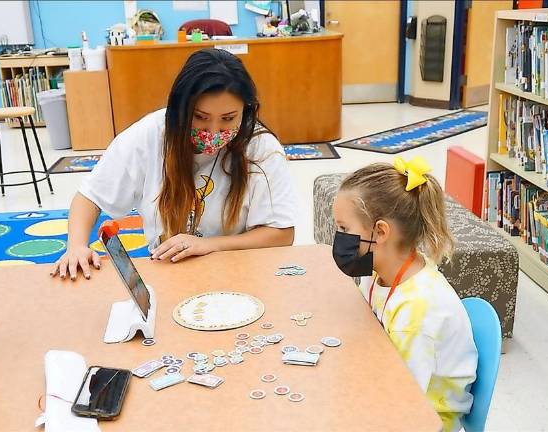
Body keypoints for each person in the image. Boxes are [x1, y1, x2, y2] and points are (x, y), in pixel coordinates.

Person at [51, 48, 297, 280]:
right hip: (169, 271)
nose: (213, 131)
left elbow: (281, 233)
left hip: (240, 270)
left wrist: (210, 245)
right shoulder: (151, 134)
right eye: (200, 117)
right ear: (180, 109)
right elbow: (90, 196)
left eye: (228, 119)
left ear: (246, 111)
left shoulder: (261, 148)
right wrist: (76, 246)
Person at [331, 156, 477, 432]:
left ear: (381, 232)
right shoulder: (384, 270)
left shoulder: (415, 314)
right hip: (388, 383)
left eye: (344, 228)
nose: (338, 237)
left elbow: (401, 407)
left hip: (427, 419)